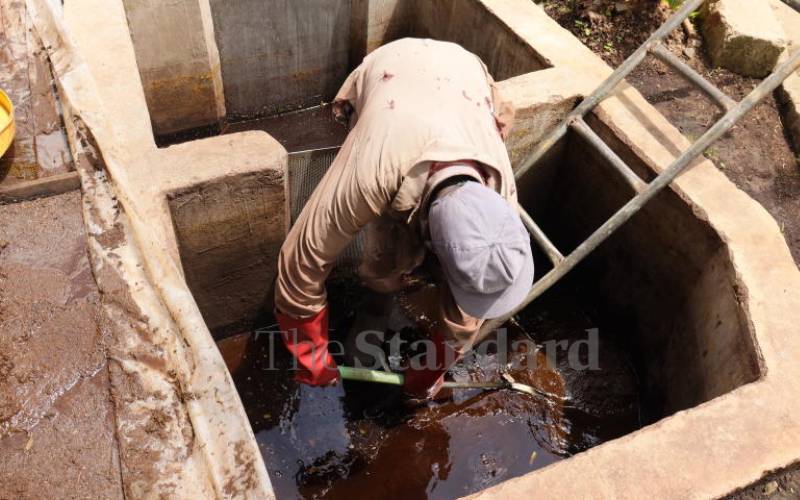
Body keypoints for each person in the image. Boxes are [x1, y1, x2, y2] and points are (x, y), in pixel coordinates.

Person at [274, 38, 534, 399]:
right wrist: (311, 354)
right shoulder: (372, 175)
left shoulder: (502, 198)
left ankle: (387, 295)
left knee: (459, 261)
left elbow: (470, 304)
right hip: (393, 72)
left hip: (462, 71)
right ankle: (376, 303)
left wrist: (433, 368)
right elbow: (299, 263)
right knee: (385, 238)